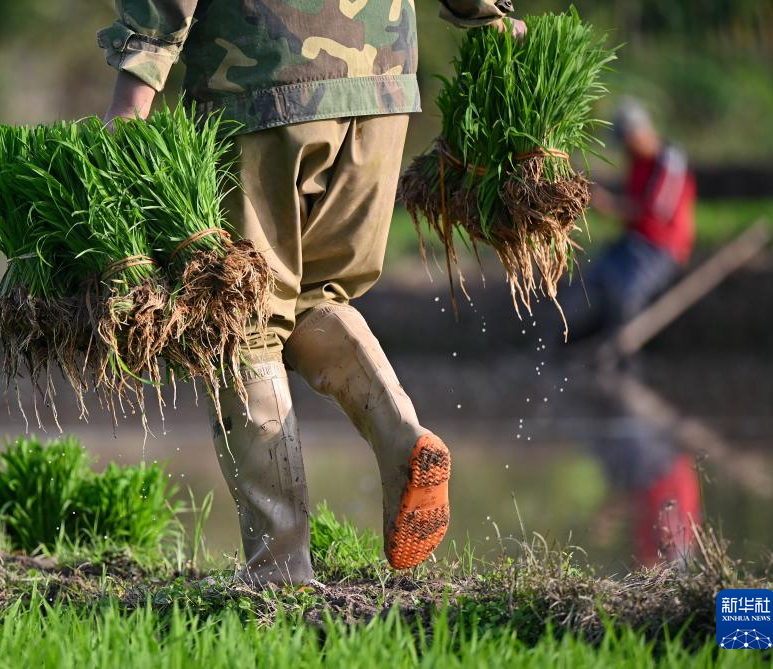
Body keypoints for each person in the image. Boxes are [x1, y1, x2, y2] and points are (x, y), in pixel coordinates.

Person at [98, 0, 526, 586]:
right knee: (314, 295)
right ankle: (404, 439)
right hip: (382, 85)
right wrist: (486, 14)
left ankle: (279, 571)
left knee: (240, 317)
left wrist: (135, 85)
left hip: (259, 75)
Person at [564, 98, 697, 343]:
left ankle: (621, 353)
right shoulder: (637, 162)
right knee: (591, 278)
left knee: (626, 292)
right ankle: (578, 343)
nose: (626, 149)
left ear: (639, 133)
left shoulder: (669, 162)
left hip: (661, 248)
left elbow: (657, 210)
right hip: (633, 242)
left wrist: (611, 206)